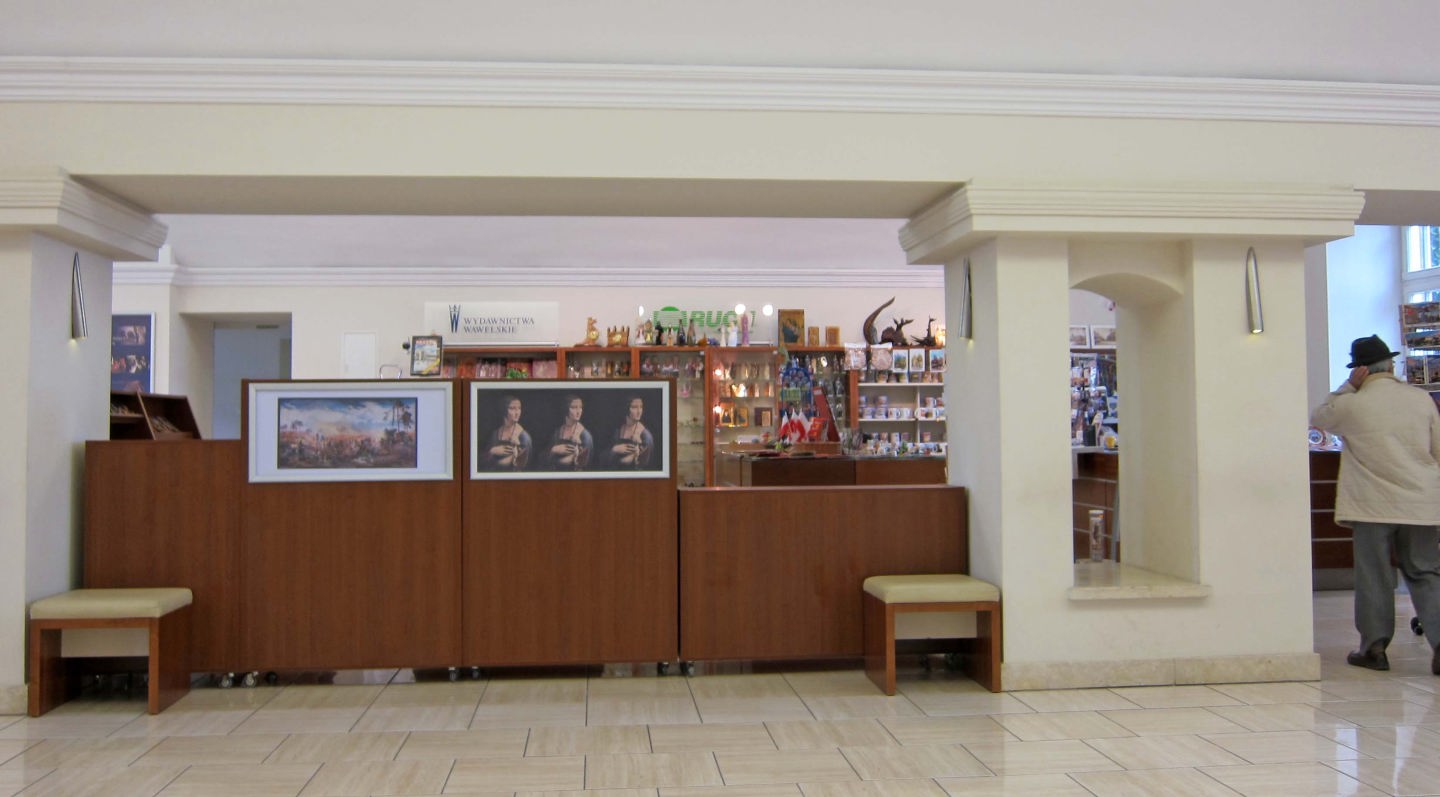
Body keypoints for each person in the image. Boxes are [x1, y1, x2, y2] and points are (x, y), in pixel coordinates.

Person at [1311, 334, 1440, 675]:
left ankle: (1374, 648)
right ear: (1390, 365)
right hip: (1421, 502)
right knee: (1425, 572)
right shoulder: (1420, 399)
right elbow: (1437, 449)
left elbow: (1320, 417)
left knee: (1374, 576)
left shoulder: (1352, 404)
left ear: (1360, 370)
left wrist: (1347, 387)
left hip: (1372, 505)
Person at [484, 395, 531, 471]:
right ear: (504, 410)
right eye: (512, 408)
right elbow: (483, 463)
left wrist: (516, 452)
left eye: (519, 408)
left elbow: (523, 466)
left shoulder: (524, 436)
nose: (517, 412)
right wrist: (492, 451)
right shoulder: (495, 434)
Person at [547, 394, 593, 470]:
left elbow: (585, 465)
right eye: (574, 407)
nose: (578, 411)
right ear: (566, 409)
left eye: (580, 407)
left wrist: (575, 458)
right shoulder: (558, 432)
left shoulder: (585, 435)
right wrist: (553, 449)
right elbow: (546, 461)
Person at [607, 395, 654, 468]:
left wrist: (634, 456)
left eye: (641, 407)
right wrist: (614, 449)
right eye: (634, 407)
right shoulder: (618, 430)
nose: (639, 411)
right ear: (626, 408)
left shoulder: (646, 435)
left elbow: (645, 465)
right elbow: (605, 460)